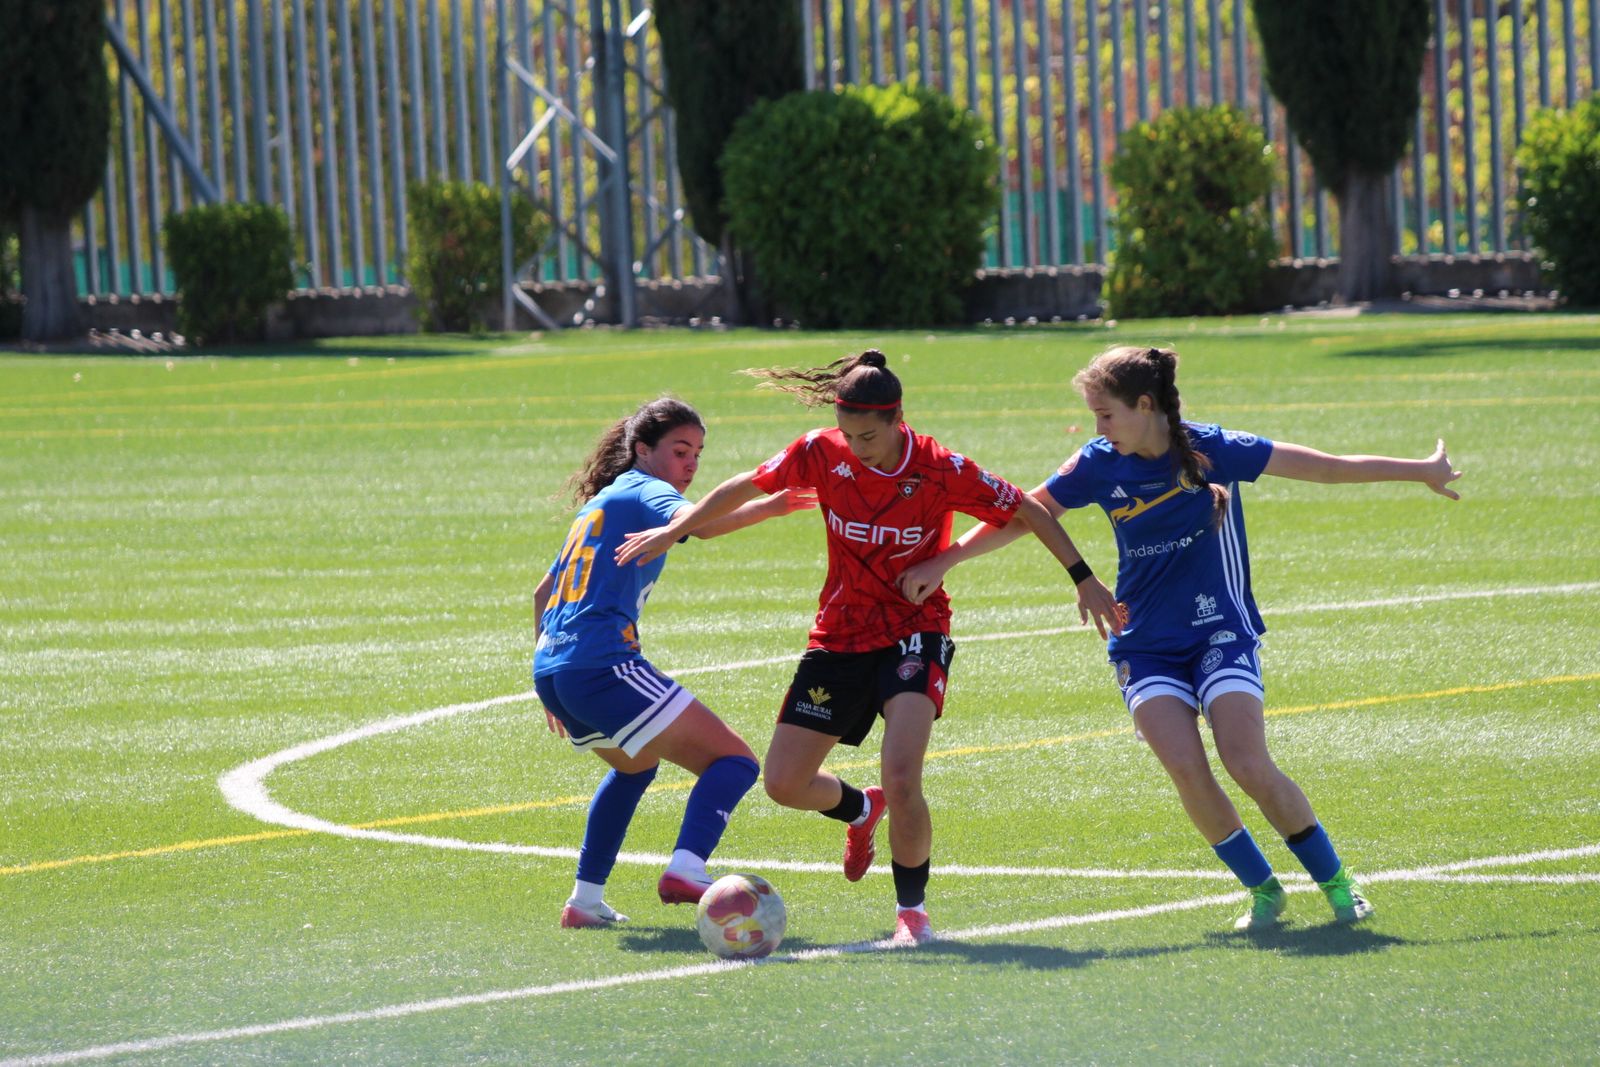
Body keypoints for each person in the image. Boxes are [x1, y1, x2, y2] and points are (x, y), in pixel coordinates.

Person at [899, 344, 1462, 930]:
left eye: (1106, 415)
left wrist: (1420, 470)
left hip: (1220, 631)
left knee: (1245, 760)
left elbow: (1324, 466)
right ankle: (1264, 890)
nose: (1098, 429)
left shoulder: (1213, 449)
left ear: (1145, 405)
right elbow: (1024, 512)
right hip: (1143, 644)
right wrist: (946, 560)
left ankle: (1338, 883)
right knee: (1187, 769)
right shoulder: (1097, 462)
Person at [616, 351, 1123, 946]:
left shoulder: (940, 468)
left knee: (904, 774)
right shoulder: (819, 451)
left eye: (869, 436)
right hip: (840, 634)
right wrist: (675, 530)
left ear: (898, 419)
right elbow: (744, 485)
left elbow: (1028, 508)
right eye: (848, 434)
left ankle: (912, 912)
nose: (857, 448)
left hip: (916, 628)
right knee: (782, 783)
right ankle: (861, 808)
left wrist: (1081, 576)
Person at [534, 397, 814, 929]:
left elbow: (541, 592)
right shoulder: (646, 488)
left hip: (555, 669)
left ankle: (585, 902)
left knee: (634, 767)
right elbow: (699, 525)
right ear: (643, 450)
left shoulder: (600, 503)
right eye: (680, 451)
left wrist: (549, 667)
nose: (690, 465)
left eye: (698, 454)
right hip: (601, 664)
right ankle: (686, 869)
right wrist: (768, 505)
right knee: (735, 762)